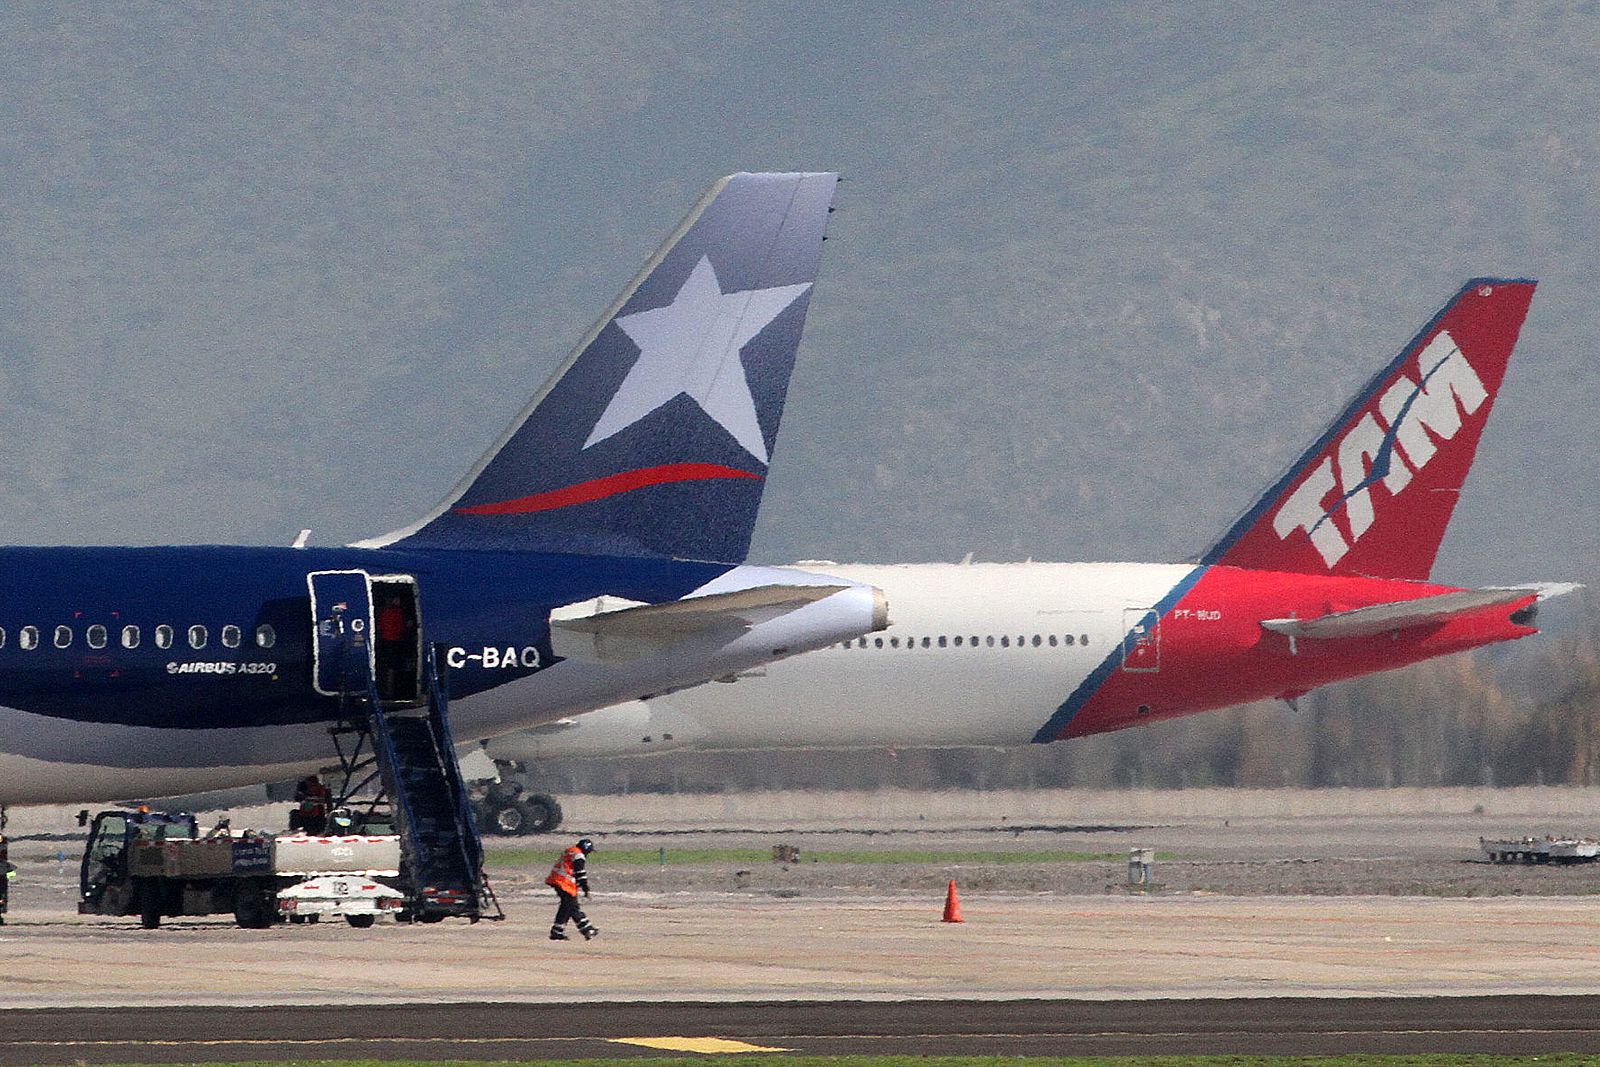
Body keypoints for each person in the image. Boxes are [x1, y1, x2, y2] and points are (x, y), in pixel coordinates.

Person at [545, 837, 598, 941]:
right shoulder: (578, 855)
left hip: (556, 880)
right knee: (573, 907)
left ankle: (557, 931)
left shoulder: (570, 851)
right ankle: (587, 930)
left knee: (566, 907)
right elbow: (580, 873)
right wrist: (586, 889)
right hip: (564, 883)